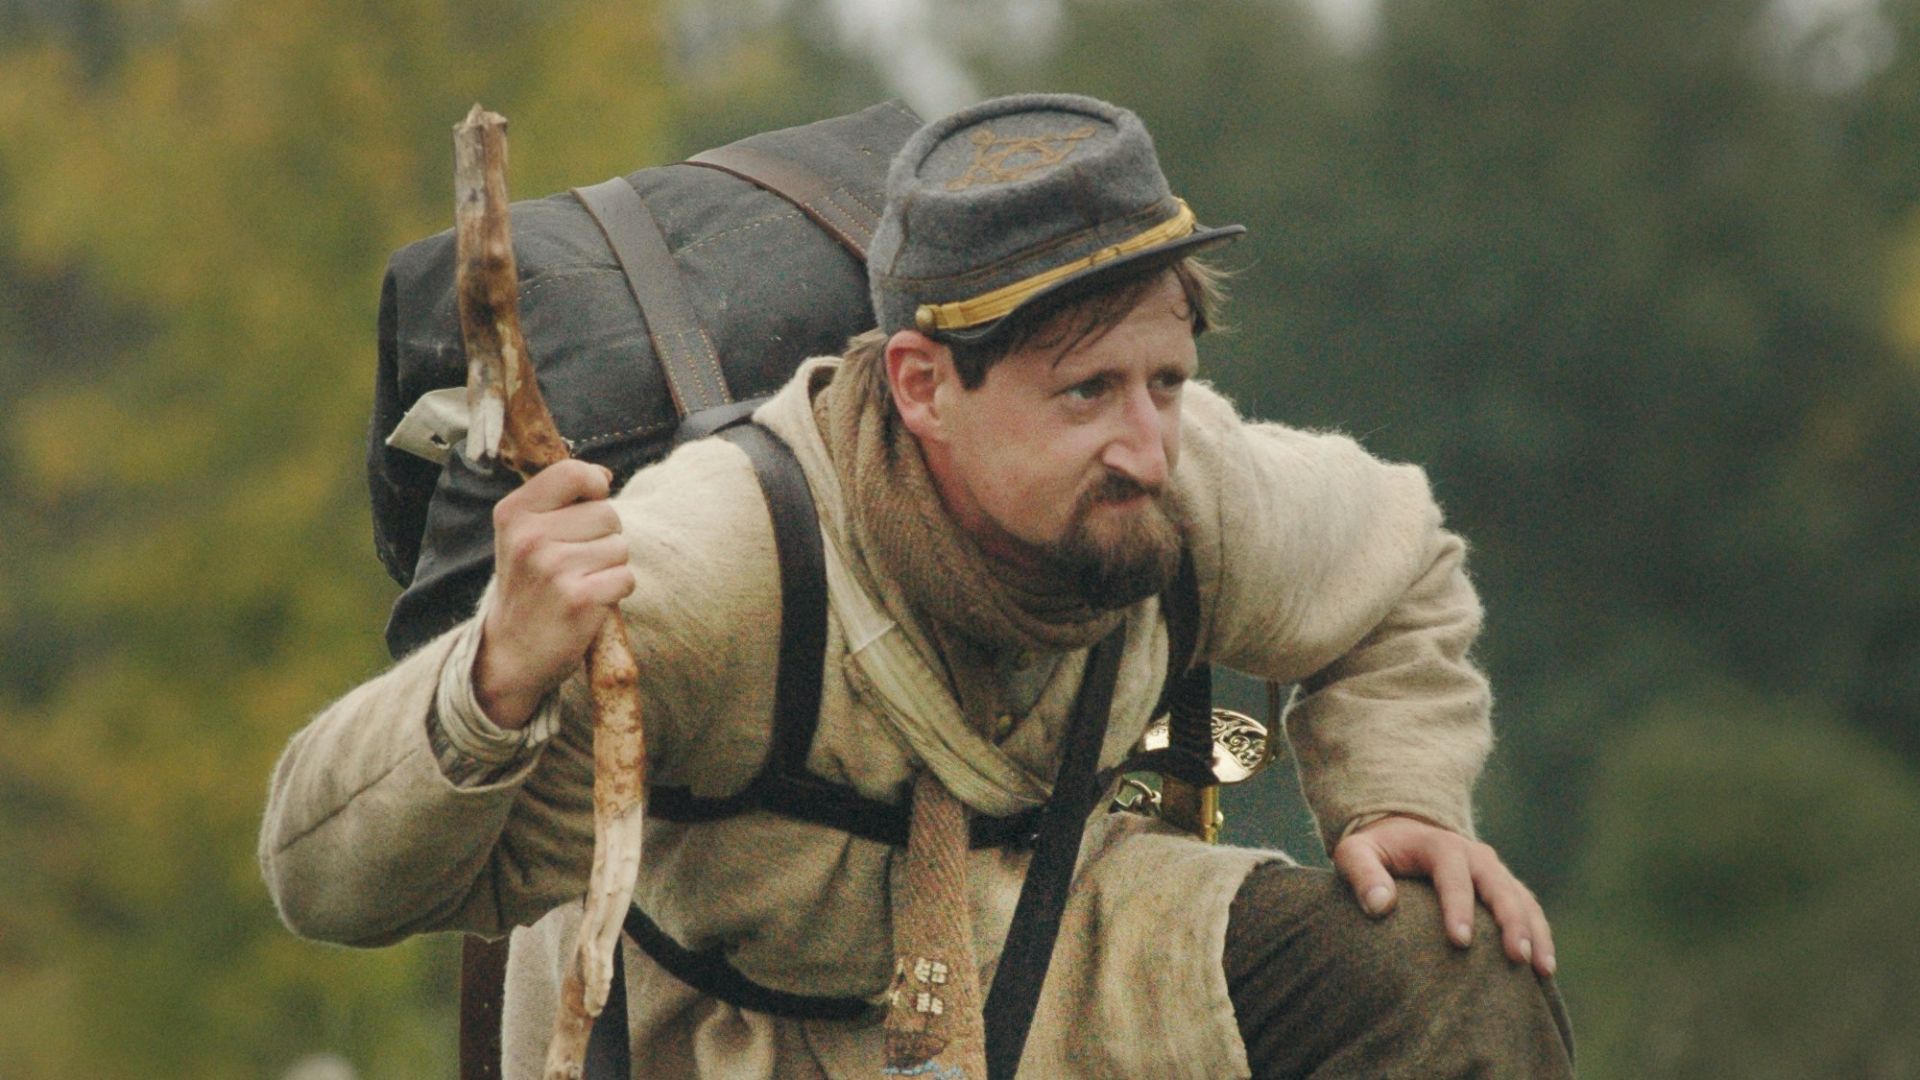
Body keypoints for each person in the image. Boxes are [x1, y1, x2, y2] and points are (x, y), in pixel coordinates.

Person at [260, 93, 1573, 1078]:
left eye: (1165, 381)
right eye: (1085, 393)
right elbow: (323, 876)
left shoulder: (1178, 484)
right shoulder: (718, 568)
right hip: (739, 1027)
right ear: (922, 388)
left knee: (1448, 971)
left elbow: (1404, 570)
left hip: (1066, 961)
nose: (1147, 442)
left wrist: (1397, 795)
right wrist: (492, 677)